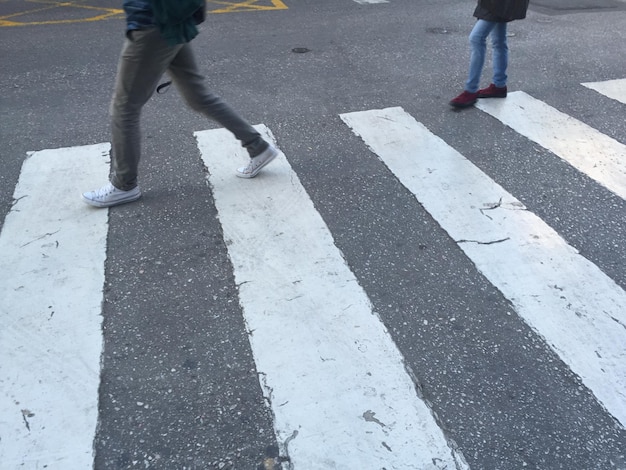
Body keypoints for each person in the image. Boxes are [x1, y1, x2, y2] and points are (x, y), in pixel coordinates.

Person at [82, 0, 279, 208]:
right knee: (198, 96)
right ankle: (257, 146)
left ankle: (124, 184)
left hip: (152, 22)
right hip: (170, 19)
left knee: (124, 108)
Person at [449, 0, 530, 109]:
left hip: (498, 4)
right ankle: (499, 85)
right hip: (500, 4)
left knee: (477, 38)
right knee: (498, 41)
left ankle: (471, 90)